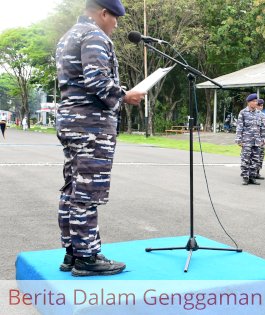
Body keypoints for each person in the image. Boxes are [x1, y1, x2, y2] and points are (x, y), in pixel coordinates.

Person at [55, 0, 145, 276]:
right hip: (90, 127)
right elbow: (97, 81)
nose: (116, 25)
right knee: (87, 192)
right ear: (103, 13)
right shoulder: (94, 35)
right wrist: (125, 96)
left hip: (72, 122)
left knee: (72, 189)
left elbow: (84, 81)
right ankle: (87, 258)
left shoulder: (69, 35)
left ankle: (72, 252)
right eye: (115, 17)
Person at [235, 93, 265, 185]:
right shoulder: (243, 113)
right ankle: (245, 178)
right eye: (253, 101)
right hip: (246, 141)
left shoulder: (259, 114)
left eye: (256, 101)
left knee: (255, 160)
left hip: (257, 141)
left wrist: (263, 139)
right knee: (246, 159)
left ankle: (252, 177)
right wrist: (239, 140)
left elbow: (262, 127)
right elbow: (239, 127)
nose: (255, 103)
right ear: (249, 102)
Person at [255, 99, 265, 180]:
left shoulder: (264, 116)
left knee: (261, 156)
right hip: (254, 140)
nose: (260, 107)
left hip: (262, 141)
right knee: (253, 157)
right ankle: (250, 173)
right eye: (259, 105)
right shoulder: (252, 114)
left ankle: (257, 172)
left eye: (262, 106)